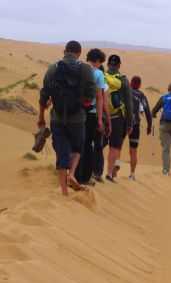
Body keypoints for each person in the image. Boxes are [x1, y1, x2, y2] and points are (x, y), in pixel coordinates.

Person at [38, 41, 96, 195]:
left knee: (61, 152)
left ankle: (64, 191)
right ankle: (72, 174)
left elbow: (43, 96)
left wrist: (41, 117)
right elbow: (90, 96)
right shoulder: (85, 68)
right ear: (79, 53)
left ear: (64, 51)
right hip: (77, 118)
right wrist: (81, 104)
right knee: (77, 148)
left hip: (57, 118)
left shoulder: (52, 68)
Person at [75, 48, 109, 185]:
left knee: (76, 144)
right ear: (98, 61)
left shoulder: (78, 68)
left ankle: (72, 173)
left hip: (75, 112)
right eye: (100, 62)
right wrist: (100, 119)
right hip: (91, 113)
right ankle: (84, 178)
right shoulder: (98, 73)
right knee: (88, 145)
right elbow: (99, 98)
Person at [104, 54, 133, 183]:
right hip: (117, 118)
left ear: (108, 64)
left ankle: (96, 171)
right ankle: (110, 173)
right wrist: (130, 122)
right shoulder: (123, 80)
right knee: (115, 147)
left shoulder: (101, 77)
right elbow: (129, 103)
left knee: (99, 145)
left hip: (102, 115)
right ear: (119, 65)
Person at [128, 76, 153, 180]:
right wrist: (149, 125)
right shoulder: (141, 95)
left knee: (117, 147)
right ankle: (132, 174)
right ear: (139, 85)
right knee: (133, 150)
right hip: (135, 124)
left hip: (124, 123)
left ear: (131, 83)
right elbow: (147, 111)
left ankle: (114, 171)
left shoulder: (127, 92)